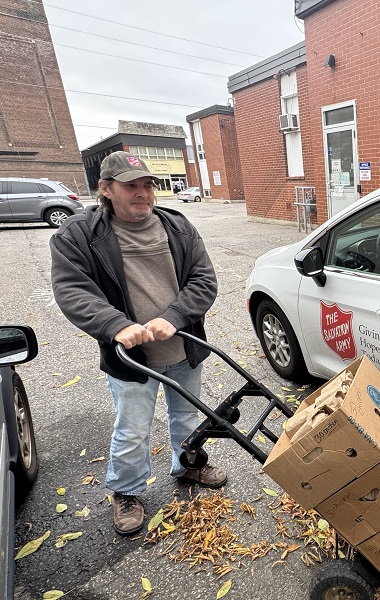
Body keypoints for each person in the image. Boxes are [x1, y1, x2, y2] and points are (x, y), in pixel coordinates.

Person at [49, 151, 227, 536]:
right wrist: (115, 325)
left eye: (148, 185)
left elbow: (203, 280)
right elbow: (73, 291)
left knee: (187, 417)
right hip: (132, 357)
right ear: (106, 189)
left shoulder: (177, 227)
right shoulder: (78, 236)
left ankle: (189, 465)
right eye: (131, 186)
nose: (142, 193)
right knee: (132, 428)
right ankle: (126, 491)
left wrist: (174, 317)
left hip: (182, 345)